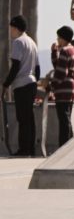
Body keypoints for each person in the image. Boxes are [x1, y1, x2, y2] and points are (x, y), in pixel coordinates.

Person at [4, 16, 40, 157]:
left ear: (15, 27)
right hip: (31, 83)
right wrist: (35, 82)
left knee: (23, 118)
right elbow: (37, 68)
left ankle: (23, 149)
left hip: (21, 84)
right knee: (29, 118)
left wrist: (6, 84)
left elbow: (15, 66)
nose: (10, 31)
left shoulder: (18, 42)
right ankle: (30, 149)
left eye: (11, 28)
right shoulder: (32, 42)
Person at [51, 26, 74, 147]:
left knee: (63, 120)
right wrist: (54, 53)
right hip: (72, 88)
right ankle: (71, 145)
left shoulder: (65, 51)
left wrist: (51, 85)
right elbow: (59, 65)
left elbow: (61, 72)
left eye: (59, 37)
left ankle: (64, 147)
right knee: (67, 118)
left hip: (64, 89)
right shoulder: (73, 50)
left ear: (63, 38)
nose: (57, 40)